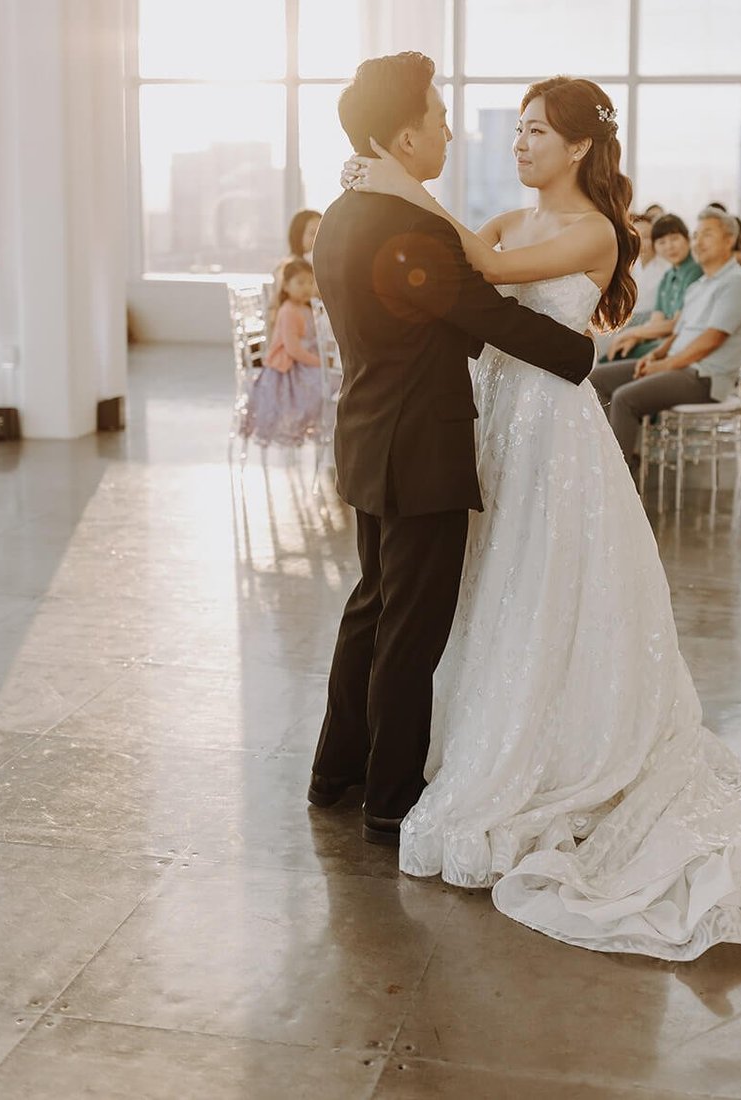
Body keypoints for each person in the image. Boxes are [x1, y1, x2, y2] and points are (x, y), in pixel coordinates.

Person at [341, 76, 741, 961]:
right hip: (493, 423)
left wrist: (395, 183)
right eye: (514, 130)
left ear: (580, 147)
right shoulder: (511, 220)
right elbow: (470, 258)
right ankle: (476, 734)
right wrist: (402, 194)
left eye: (536, 132)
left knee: (548, 579)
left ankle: (558, 747)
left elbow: (482, 268)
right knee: (484, 585)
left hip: (555, 429)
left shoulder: (597, 230)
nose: (518, 145)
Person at [307, 53, 596, 850]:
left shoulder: (341, 211)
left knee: (370, 606)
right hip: (420, 449)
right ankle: (392, 799)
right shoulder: (411, 227)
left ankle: (336, 771)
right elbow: (485, 318)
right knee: (410, 627)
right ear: (405, 137)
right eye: (437, 121)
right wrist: (582, 355)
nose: (446, 132)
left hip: (367, 435)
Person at [591, 207, 741, 464]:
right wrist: (657, 355)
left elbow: (711, 340)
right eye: (696, 235)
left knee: (625, 399)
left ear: (729, 240)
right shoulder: (699, 285)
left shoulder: (738, 282)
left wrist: (664, 364)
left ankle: (617, 483)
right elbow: (678, 333)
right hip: (679, 367)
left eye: (708, 235)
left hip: (705, 376)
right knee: (597, 379)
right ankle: (605, 461)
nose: (698, 242)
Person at [242, 257, 324, 446]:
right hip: (288, 368)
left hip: (302, 363)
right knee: (323, 384)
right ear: (286, 286)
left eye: (311, 282)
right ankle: (315, 427)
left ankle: (321, 429)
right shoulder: (288, 311)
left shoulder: (306, 309)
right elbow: (293, 350)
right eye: (300, 282)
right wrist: (320, 362)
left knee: (330, 382)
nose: (306, 287)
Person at [602, 213, 701, 362]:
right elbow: (657, 319)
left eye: (674, 239)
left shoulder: (694, 271)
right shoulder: (668, 276)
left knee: (611, 362)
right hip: (658, 339)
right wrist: (635, 339)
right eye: (662, 242)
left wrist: (630, 334)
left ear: (687, 238)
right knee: (613, 355)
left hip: (676, 345)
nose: (669, 246)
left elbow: (675, 324)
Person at [273, 208, 324, 301]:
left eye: (321, 232)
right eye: (312, 233)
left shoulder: (319, 263)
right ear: (299, 235)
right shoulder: (288, 267)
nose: (318, 238)